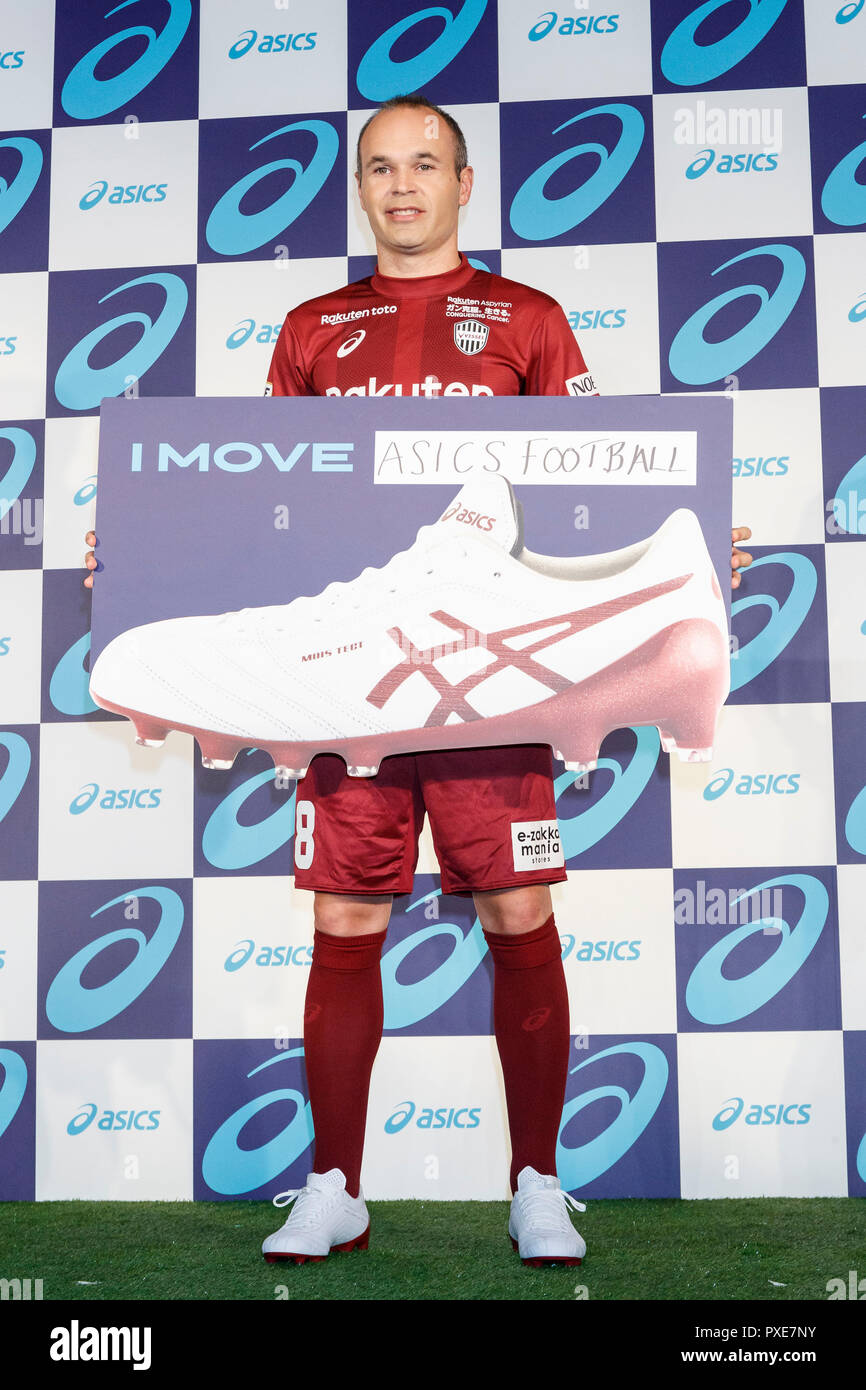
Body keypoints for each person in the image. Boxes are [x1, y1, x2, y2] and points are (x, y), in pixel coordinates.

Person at [85, 93, 753, 1269]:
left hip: (492, 681)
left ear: (464, 182)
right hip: (351, 686)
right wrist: (142, 554)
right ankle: (334, 1182)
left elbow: (595, 486)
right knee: (343, 923)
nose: (402, 185)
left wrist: (694, 534)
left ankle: (536, 1181)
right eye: (380, 168)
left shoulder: (529, 319)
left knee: (518, 914)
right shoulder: (310, 329)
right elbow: (258, 511)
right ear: (359, 188)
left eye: (424, 164)